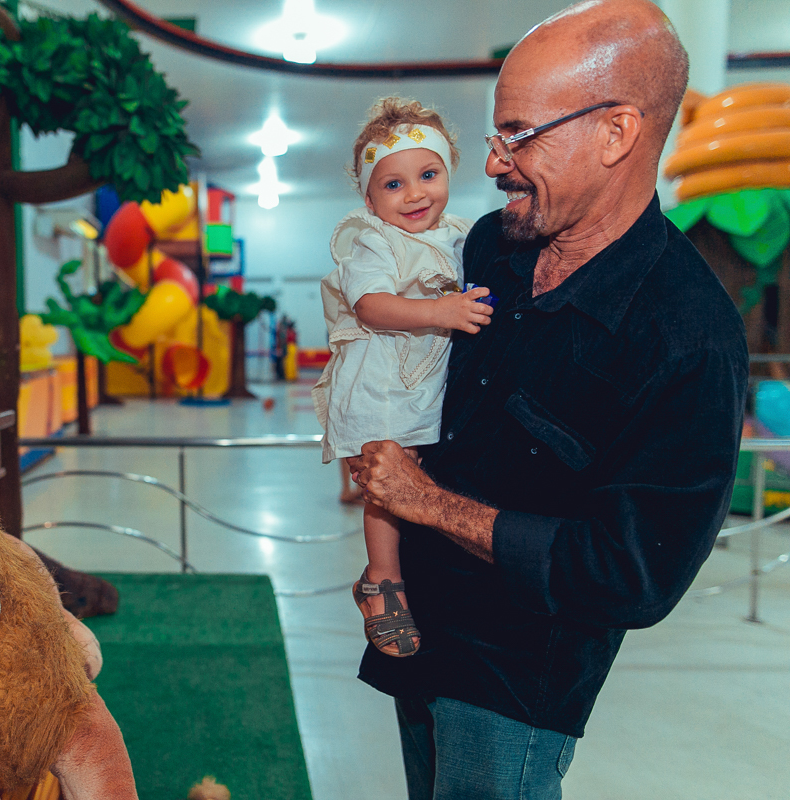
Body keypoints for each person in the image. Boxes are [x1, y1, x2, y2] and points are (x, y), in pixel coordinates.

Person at [347, 2, 748, 797]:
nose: (494, 164)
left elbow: (633, 574)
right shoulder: (491, 245)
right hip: (419, 635)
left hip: (517, 686)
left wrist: (426, 504)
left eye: (519, 134)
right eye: (495, 135)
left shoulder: (689, 337)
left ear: (616, 133)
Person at [312, 98, 494, 657]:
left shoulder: (462, 235)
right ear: (369, 198)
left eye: (428, 175)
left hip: (426, 384)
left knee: (422, 478)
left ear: (449, 173)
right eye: (393, 184)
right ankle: (382, 581)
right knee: (388, 483)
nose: (414, 194)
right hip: (380, 384)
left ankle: (415, 572)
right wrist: (443, 313)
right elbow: (371, 306)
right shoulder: (373, 240)